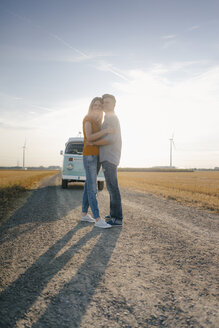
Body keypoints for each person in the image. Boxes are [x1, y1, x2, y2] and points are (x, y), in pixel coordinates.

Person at [89, 94, 123, 227]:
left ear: (114, 105)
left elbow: (110, 139)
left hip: (110, 157)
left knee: (113, 187)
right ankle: (113, 213)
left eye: (108, 103)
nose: (104, 105)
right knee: (110, 187)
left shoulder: (112, 118)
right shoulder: (108, 118)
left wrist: (94, 143)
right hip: (108, 157)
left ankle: (117, 218)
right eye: (104, 103)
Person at [81, 97, 113, 228]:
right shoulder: (88, 119)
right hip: (89, 155)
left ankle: (84, 214)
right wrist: (105, 131)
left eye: (100, 106)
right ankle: (97, 218)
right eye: (95, 105)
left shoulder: (98, 121)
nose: (98, 107)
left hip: (96, 155)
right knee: (93, 188)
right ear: (91, 106)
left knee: (89, 184)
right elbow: (89, 137)